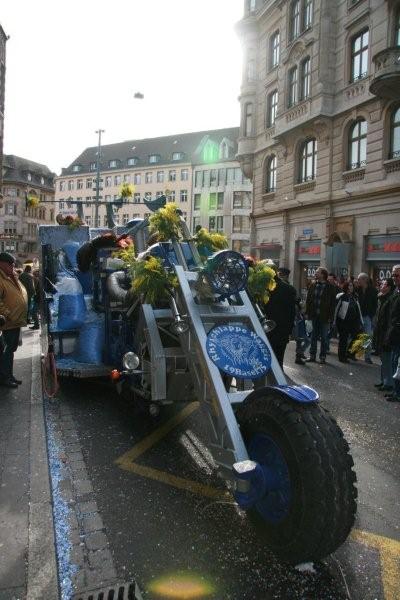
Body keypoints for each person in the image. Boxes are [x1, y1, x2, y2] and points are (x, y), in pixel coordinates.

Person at [0, 252, 28, 388]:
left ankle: (9, 376)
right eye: (10, 264)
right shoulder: (1, 278)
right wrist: (8, 314)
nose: (12, 266)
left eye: (13, 264)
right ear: (1, 263)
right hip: (7, 323)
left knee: (10, 351)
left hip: (15, 321)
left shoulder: (11, 276)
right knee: (6, 352)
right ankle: (5, 378)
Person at [263, 262, 296, 368]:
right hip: (282, 330)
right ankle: (278, 381)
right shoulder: (289, 289)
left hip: (266, 328)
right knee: (279, 358)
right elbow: (292, 312)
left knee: (265, 358)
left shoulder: (262, 287)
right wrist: (289, 331)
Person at [305, 267, 336, 364]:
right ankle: (312, 355)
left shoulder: (330, 287)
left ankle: (322, 357)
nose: (315, 273)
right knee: (313, 336)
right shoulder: (313, 285)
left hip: (324, 317)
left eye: (317, 272)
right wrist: (307, 313)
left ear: (323, 274)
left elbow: (332, 304)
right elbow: (308, 300)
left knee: (324, 337)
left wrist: (331, 317)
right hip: (314, 316)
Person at [372, 278, 395, 391]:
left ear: (389, 287)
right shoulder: (382, 298)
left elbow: (389, 318)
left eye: (384, 284)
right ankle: (383, 380)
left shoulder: (390, 299)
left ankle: (388, 383)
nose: (381, 285)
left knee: (387, 359)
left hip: (386, 332)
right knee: (383, 358)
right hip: (380, 331)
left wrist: (387, 334)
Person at [333, 280, 363, 363]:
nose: (351, 287)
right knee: (343, 339)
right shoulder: (342, 296)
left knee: (359, 336)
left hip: (354, 321)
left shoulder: (355, 296)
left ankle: (350, 353)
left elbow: (358, 309)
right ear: (346, 287)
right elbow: (336, 309)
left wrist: (361, 321)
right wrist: (334, 322)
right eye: (349, 286)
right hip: (343, 321)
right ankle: (342, 357)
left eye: (352, 286)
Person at [384, 265, 400, 402]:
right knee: (395, 362)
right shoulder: (396, 291)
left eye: (397, 275)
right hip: (394, 333)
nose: (394, 278)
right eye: (393, 275)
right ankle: (396, 391)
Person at [357, 273, 378, 364]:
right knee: (355, 335)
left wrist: (371, 315)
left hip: (367, 317)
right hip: (357, 316)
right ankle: (353, 353)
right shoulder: (357, 290)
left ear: (365, 280)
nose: (358, 281)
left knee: (367, 337)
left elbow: (375, 304)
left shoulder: (373, 290)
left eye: (359, 279)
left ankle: (367, 357)